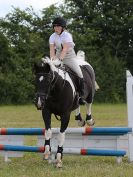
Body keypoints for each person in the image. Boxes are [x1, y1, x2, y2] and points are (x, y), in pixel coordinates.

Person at [49, 17, 85, 105]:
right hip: (57, 56)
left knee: (79, 74)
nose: (56, 28)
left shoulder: (67, 35)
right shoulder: (52, 36)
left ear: (63, 27)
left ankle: (80, 96)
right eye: (55, 26)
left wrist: (60, 60)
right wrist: (52, 60)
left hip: (69, 57)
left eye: (58, 26)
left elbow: (65, 49)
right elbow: (51, 50)